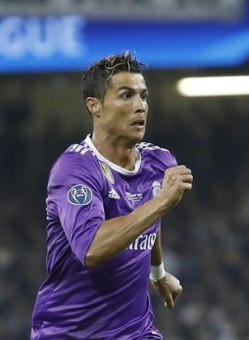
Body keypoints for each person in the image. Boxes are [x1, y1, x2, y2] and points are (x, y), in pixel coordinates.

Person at [31, 51, 193, 339]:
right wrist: (161, 203)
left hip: (135, 330)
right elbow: (91, 249)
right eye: (126, 95)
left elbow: (148, 218)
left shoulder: (159, 161)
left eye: (144, 96)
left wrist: (158, 272)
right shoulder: (75, 169)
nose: (140, 106)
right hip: (69, 331)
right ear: (95, 106)